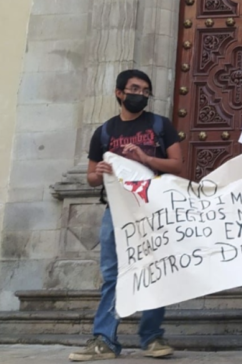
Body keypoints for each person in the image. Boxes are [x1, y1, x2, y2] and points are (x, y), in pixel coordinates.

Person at [69, 70, 182, 361]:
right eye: (134, 89)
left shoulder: (160, 125)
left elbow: (177, 165)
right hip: (115, 213)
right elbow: (91, 177)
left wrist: (146, 159)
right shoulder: (104, 132)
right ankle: (104, 339)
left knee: (155, 269)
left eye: (146, 91)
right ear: (120, 93)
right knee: (112, 275)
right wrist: (99, 172)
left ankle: (152, 337)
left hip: (152, 209)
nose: (140, 94)